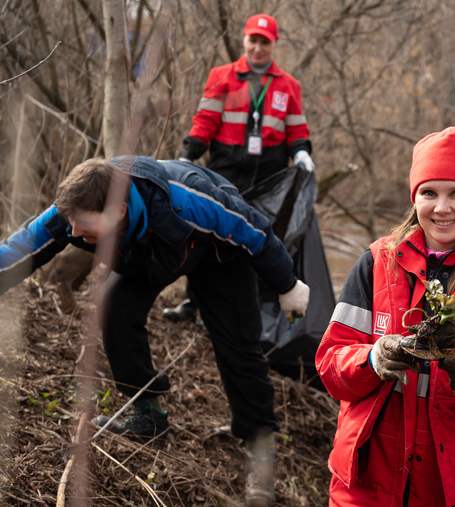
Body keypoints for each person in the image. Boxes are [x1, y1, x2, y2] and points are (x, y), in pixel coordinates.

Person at [0, 156, 309, 507]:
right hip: (143, 253)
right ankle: (149, 414)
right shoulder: (77, 207)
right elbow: (22, 246)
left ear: (117, 211)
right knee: (113, 306)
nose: (71, 232)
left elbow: (254, 231)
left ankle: (260, 445)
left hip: (217, 253)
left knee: (239, 345)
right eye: (69, 222)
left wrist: (287, 285)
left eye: (82, 224)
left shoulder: (189, 201)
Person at [316, 127, 455, 506]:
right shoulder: (374, 264)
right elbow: (332, 369)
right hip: (370, 488)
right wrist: (372, 358)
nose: (442, 208)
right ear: (414, 197)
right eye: (429, 193)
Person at [165, 13, 313, 323]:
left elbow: (297, 129)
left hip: (271, 176)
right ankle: (193, 302)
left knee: (260, 236)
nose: (258, 48)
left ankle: (250, 306)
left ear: (274, 44)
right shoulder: (223, 76)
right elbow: (205, 120)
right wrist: (188, 155)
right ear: (244, 40)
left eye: (265, 42)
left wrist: (302, 154)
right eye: (253, 41)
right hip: (225, 170)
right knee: (207, 231)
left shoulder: (289, 86)